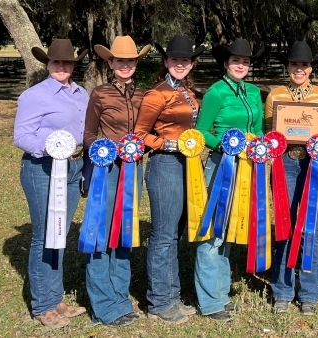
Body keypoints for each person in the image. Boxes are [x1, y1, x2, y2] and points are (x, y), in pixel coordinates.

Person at [13, 39, 88, 328]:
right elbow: (21, 136)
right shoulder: (35, 95)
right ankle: (42, 305)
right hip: (43, 168)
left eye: (67, 62)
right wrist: (51, 148)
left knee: (60, 233)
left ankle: (55, 298)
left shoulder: (81, 93)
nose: (62, 67)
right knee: (44, 234)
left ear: (73, 65)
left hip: (73, 168)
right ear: (47, 64)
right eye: (56, 62)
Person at [134, 35, 204, 323]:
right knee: (163, 234)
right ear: (166, 62)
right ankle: (160, 301)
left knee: (174, 233)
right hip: (165, 165)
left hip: (188, 166)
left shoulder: (188, 91)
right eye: (175, 60)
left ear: (191, 63)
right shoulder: (157, 94)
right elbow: (139, 135)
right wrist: (169, 144)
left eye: (185, 60)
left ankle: (172, 295)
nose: (180, 64)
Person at [194, 38, 264, 322]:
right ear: (226, 64)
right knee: (213, 229)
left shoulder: (254, 92)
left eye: (245, 61)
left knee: (231, 228)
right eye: (236, 61)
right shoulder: (216, 93)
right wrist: (225, 145)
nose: (240, 65)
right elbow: (200, 132)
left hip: (248, 167)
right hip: (222, 165)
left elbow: (257, 128)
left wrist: (259, 145)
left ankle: (221, 293)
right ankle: (210, 302)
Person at [83, 35, 151, 326]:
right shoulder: (99, 94)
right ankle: (103, 304)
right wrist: (100, 152)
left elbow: (147, 134)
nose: (125, 65)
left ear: (136, 62)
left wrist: (143, 146)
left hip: (133, 170)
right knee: (101, 234)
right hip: (106, 172)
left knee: (124, 232)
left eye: (130, 60)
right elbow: (88, 134)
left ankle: (120, 297)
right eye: (119, 60)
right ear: (110, 62)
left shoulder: (144, 95)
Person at [266, 41, 318, 315]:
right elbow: (269, 130)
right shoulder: (275, 95)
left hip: (313, 163)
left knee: (310, 227)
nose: (299, 69)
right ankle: (282, 290)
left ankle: (308, 291)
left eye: (304, 65)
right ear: (288, 67)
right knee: (284, 223)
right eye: (294, 64)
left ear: (311, 68)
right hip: (283, 164)